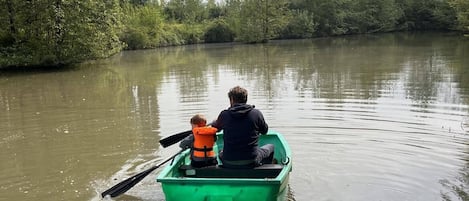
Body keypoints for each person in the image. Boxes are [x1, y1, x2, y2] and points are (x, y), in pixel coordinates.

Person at [212, 86, 274, 169]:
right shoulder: (256, 113)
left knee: (220, 152)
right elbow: (264, 131)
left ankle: (228, 173)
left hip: (228, 161)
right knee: (271, 146)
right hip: (251, 161)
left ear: (232, 100)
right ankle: (265, 171)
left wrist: (216, 121)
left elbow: (215, 128)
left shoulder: (224, 115)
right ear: (246, 99)